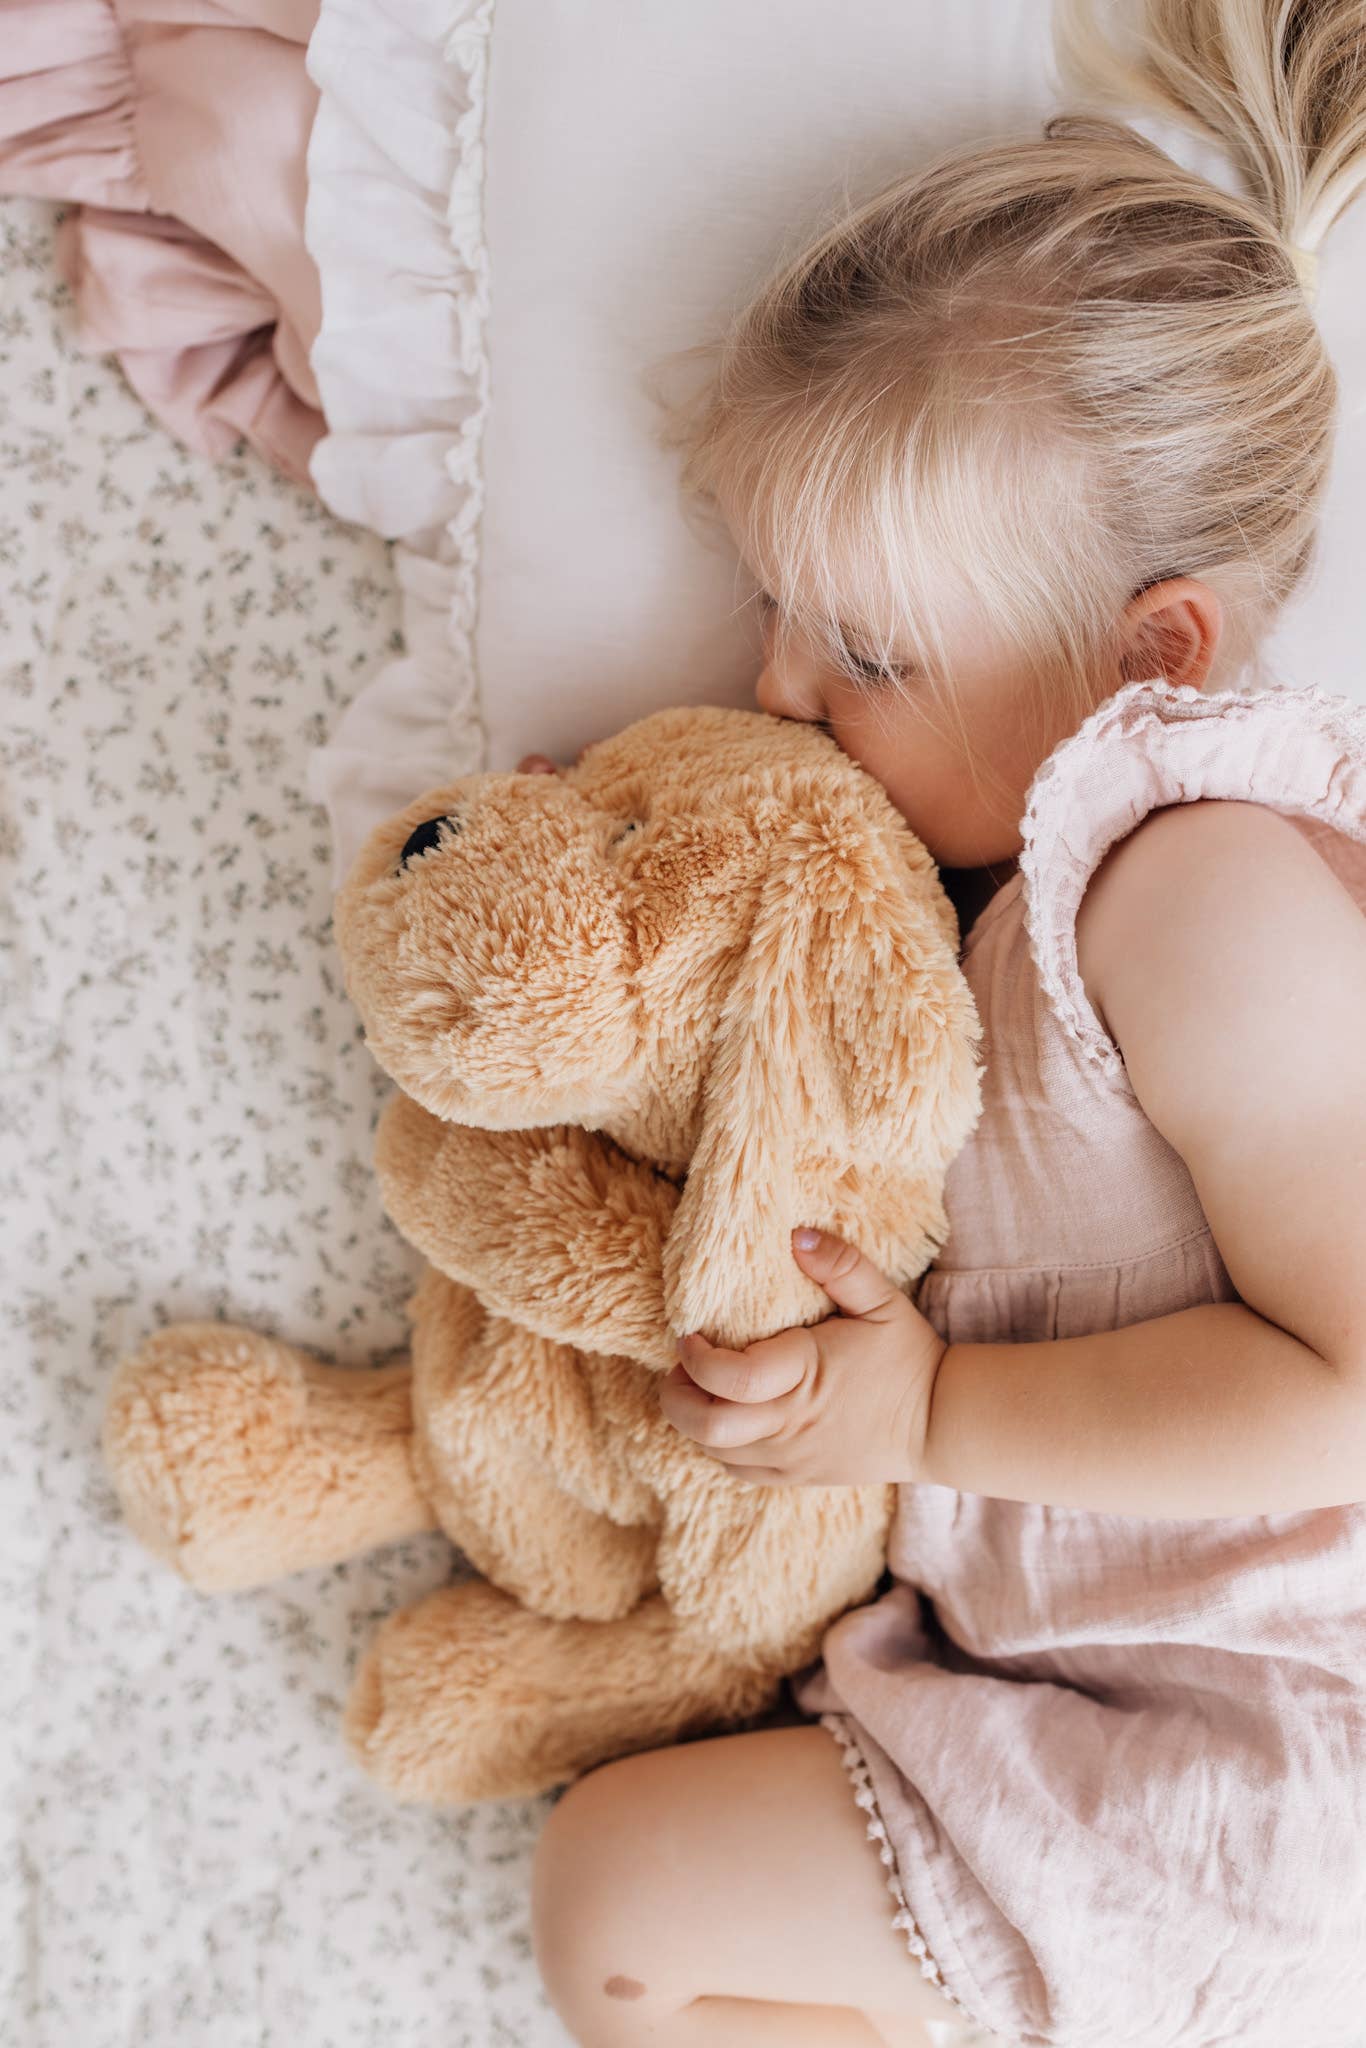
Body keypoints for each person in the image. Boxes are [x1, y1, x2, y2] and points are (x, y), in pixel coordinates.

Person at [519, 3, 1366, 2043]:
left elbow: (1347, 1388)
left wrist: (923, 1420)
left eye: (868, 653)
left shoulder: (1203, 896)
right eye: (768, 608)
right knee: (623, 1912)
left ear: (1145, 655)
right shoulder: (982, 879)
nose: (776, 691)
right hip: (1067, 1688)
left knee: (620, 1900)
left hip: (1261, 1753)